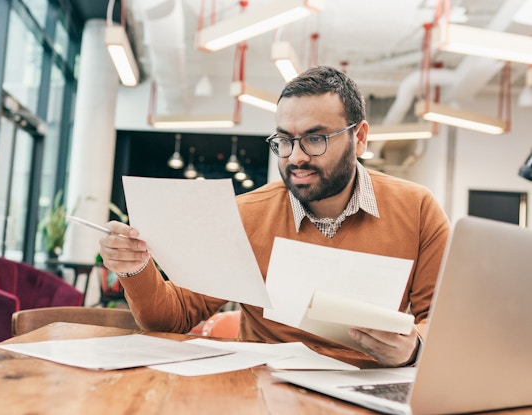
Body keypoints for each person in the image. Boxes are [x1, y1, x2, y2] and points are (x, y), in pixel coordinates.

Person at [98, 66, 450, 368]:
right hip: (264, 386)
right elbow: (175, 317)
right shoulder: (245, 214)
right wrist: (135, 267)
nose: (296, 157)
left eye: (315, 139)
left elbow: (444, 318)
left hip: (366, 387)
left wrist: (415, 346)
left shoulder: (417, 209)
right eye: (284, 140)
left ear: (359, 138)